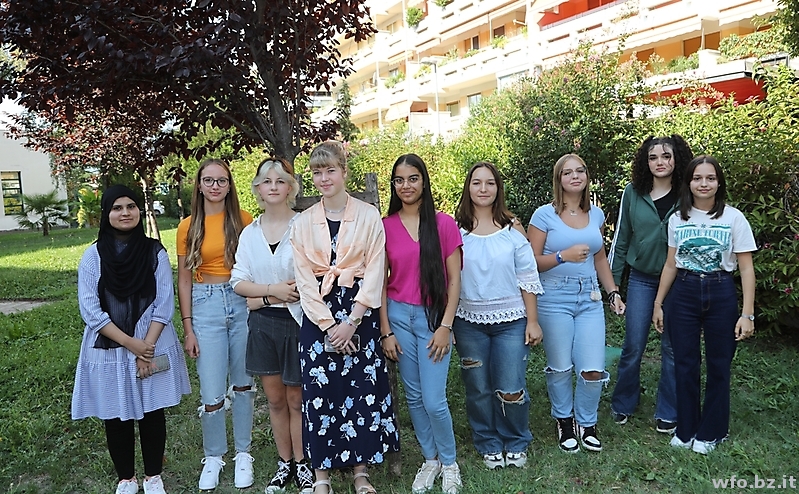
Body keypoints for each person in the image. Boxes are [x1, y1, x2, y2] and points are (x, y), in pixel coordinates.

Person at [290, 141, 400, 494]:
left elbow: (376, 269)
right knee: (319, 391)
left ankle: (360, 471)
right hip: (318, 313)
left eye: (330, 171)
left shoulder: (368, 216)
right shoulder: (303, 222)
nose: (324, 178)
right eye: (317, 172)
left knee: (361, 387)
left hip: (359, 310)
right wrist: (328, 325)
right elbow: (304, 279)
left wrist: (352, 320)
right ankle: (321, 473)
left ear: (343, 172)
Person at [72, 185, 191, 494]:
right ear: (106, 214)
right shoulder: (93, 257)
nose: (125, 213)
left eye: (131, 206)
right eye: (117, 208)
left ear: (139, 210)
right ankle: (126, 479)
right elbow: (91, 311)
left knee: (152, 411)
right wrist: (131, 344)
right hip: (111, 345)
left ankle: (153, 477)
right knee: (115, 414)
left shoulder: (155, 253)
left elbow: (164, 304)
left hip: (152, 340)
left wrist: (145, 348)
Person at [652, 155, 756, 455]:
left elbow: (746, 268)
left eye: (710, 178)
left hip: (720, 291)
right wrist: (659, 303)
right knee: (685, 363)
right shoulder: (678, 218)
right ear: (688, 183)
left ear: (718, 183)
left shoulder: (733, 218)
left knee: (719, 364)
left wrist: (747, 314)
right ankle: (686, 429)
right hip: (683, 292)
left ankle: (712, 431)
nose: (704, 184)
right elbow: (670, 264)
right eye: (697, 178)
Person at [527, 154, 625, 454]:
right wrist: (562, 256)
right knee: (560, 366)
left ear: (586, 176)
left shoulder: (596, 214)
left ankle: (587, 423)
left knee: (593, 368)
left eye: (580, 171)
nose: (575, 176)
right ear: (559, 179)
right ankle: (565, 421)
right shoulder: (544, 215)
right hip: (554, 297)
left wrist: (613, 292)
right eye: (567, 172)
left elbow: (600, 258)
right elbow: (530, 263)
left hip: (590, 297)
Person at [380, 154, 463, 494]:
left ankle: (450, 463)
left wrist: (446, 326)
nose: (406, 185)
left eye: (413, 178)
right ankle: (430, 459)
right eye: (399, 180)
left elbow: (455, 281)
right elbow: (379, 283)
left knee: (433, 400)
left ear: (423, 182)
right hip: (398, 317)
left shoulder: (443, 224)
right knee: (413, 397)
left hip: (433, 319)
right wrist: (385, 330)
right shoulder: (385, 226)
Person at [230, 157, 314, 493]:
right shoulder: (250, 234)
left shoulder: (305, 225)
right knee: (275, 400)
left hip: (299, 323)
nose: (274, 186)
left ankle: (303, 463)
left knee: (296, 399)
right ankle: (285, 462)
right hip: (264, 326)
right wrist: (270, 293)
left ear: (291, 187)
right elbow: (239, 281)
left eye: (280, 181)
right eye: (267, 181)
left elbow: (311, 276)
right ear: (258, 189)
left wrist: (260, 297)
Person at [452, 161, 544, 470]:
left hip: (512, 322)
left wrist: (532, 321)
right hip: (468, 323)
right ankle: (488, 441)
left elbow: (527, 276)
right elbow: (449, 279)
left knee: (511, 387)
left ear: (498, 188)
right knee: (478, 388)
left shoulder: (512, 230)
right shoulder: (456, 231)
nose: (483, 189)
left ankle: (516, 440)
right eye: (476, 182)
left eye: (489, 183)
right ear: (468, 188)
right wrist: (447, 324)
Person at [176, 159, 255, 490]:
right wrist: (188, 328)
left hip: (240, 300)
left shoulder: (244, 221)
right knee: (211, 388)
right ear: (199, 185)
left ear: (229, 185)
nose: (215, 186)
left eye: (222, 180)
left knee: (243, 383)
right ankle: (214, 456)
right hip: (205, 304)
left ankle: (243, 453)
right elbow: (183, 280)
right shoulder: (188, 226)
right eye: (208, 180)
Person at [607, 135, 693, 433]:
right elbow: (621, 240)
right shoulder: (633, 192)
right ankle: (623, 402)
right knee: (633, 345)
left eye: (666, 156)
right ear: (646, 162)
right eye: (653, 157)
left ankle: (668, 410)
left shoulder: (688, 193)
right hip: (642, 279)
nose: (660, 162)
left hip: (679, 281)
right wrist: (613, 287)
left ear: (677, 159)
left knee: (672, 347)